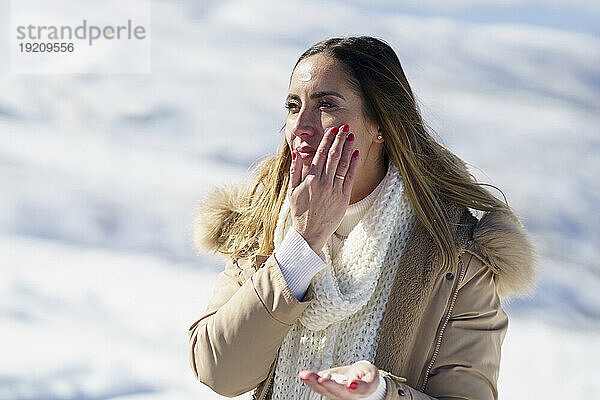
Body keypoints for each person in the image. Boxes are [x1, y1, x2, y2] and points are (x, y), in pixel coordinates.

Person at [188, 36, 538, 400]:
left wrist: (380, 394)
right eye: (293, 106)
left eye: (325, 105)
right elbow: (220, 372)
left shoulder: (457, 253)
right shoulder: (263, 219)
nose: (301, 127)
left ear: (381, 125)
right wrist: (299, 248)